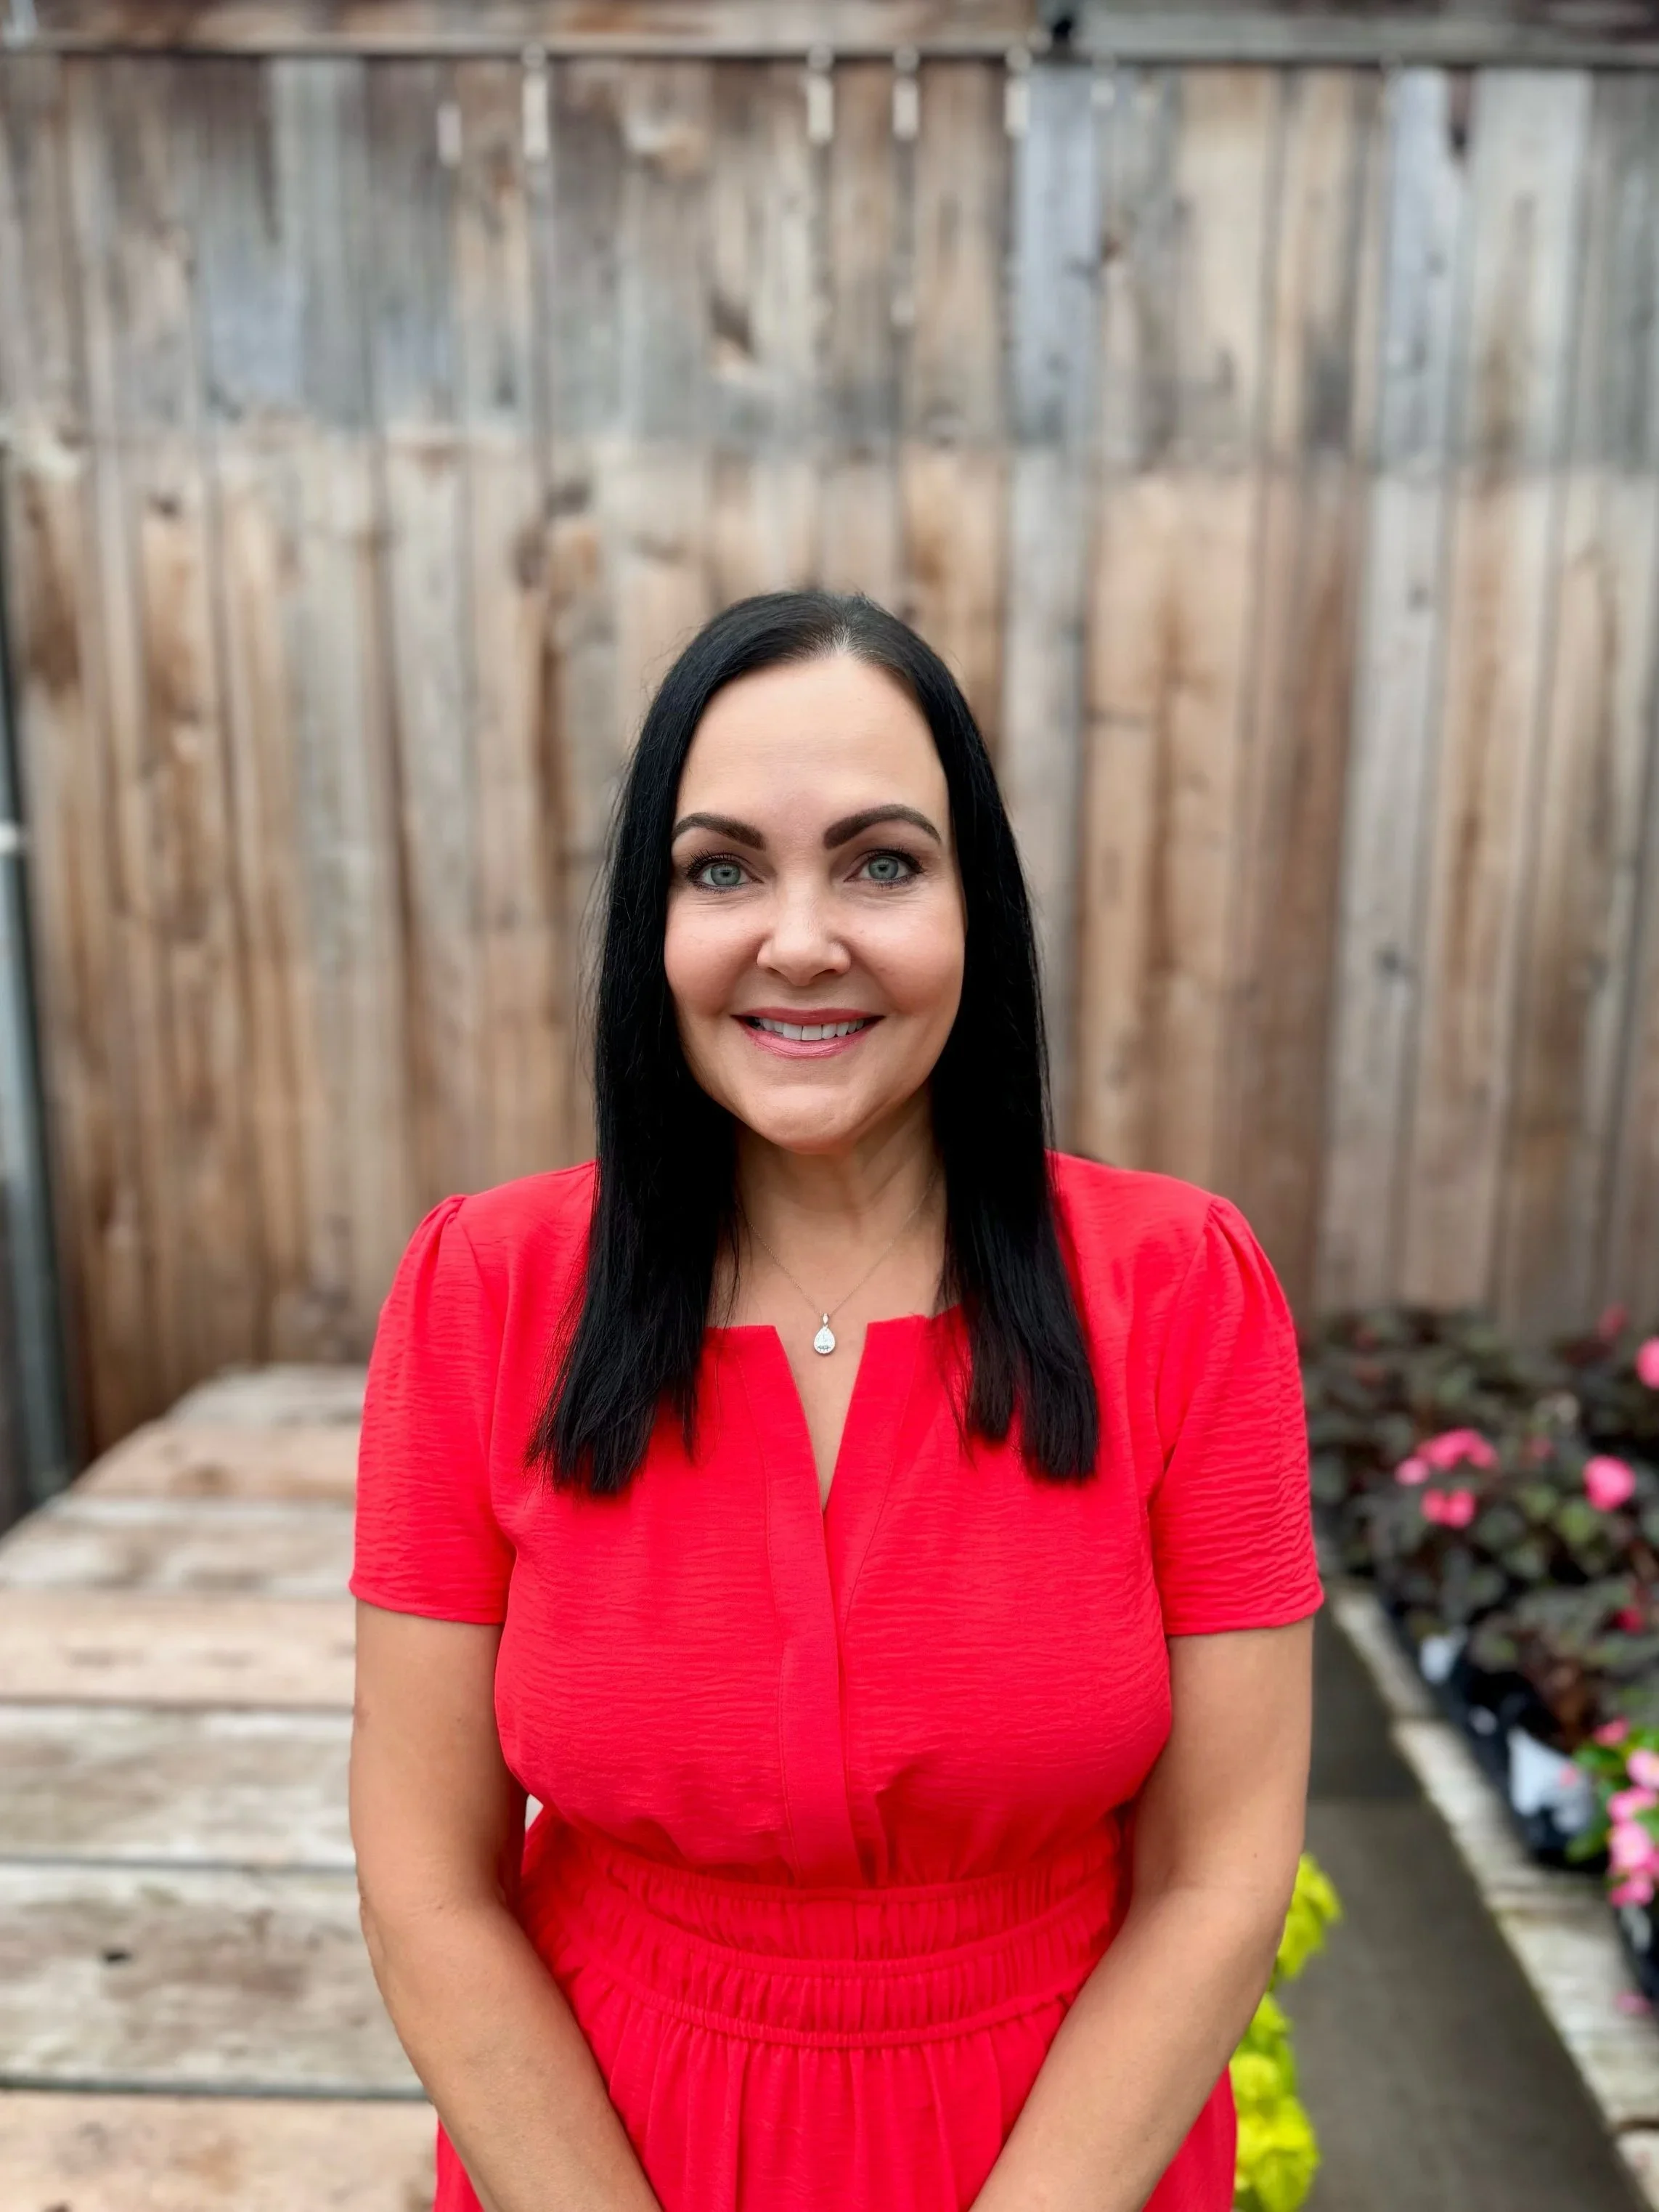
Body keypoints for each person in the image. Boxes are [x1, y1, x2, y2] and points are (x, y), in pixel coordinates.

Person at [348, 590, 1320, 2212]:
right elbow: (425, 1877)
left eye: (879, 860)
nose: (798, 937)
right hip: (593, 2142)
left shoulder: (1179, 1286)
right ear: (650, 925)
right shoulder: (485, 1287)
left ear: (972, 910)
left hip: (1060, 2148)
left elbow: (1219, 1872)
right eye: (719, 866)